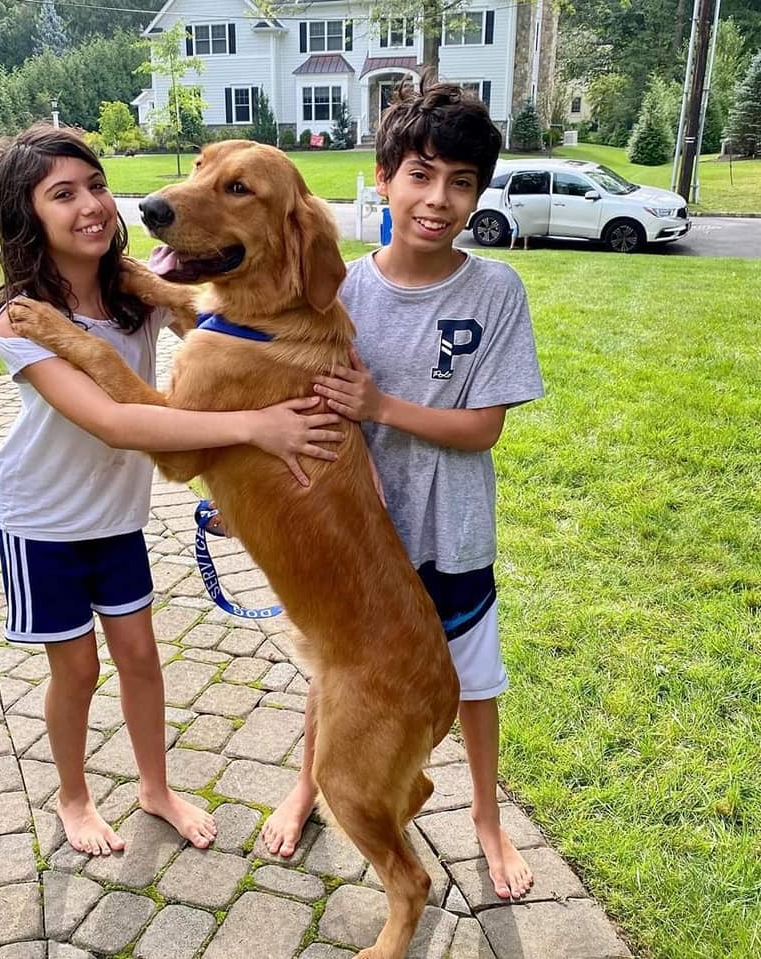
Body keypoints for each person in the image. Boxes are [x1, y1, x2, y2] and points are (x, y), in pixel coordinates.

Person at [0, 122, 342, 857]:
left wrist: (160, 288)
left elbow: (205, 326)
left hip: (117, 518)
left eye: (96, 186)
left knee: (142, 659)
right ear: (28, 216)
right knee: (77, 670)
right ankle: (74, 797)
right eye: (62, 195)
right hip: (42, 520)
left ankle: (155, 788)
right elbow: (117, 422)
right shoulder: (22, 319)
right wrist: (256, 428)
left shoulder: (133, 293)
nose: (91, 205)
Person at [262, 79, 544, 901]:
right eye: (420, 175)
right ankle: (308, 785)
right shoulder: (339, 290)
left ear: (478, 194)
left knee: (475, 684)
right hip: (356, 545)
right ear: (383, 177)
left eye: (461, 182)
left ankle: (487, 817)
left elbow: (482, 427)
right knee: (334, 675)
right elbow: (302, 410)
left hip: (451, 535)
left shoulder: (494, 291)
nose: (438, 199)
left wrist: (380, 405)